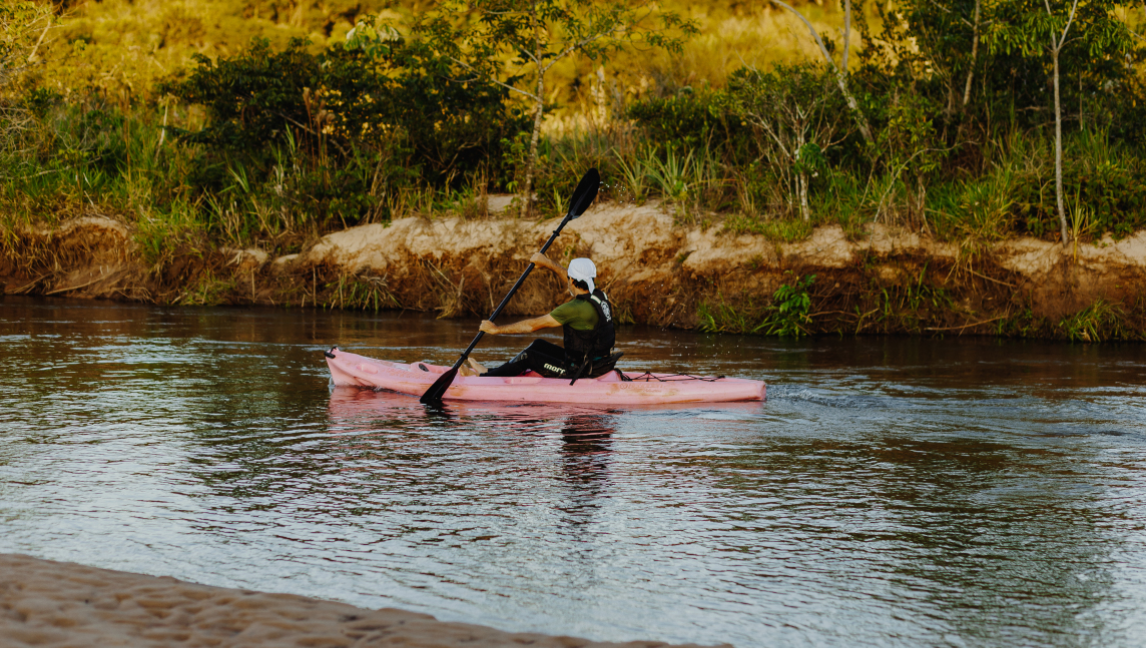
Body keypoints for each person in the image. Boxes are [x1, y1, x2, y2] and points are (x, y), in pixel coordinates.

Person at [460, 252, 619, 380]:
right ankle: (492, 371)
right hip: (597, 362)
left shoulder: (573, 309)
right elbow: (572, 278)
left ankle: (482, 377)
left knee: (530, 356)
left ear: (572, 280)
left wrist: (496, 329)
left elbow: (532, 325)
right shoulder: (598, 296)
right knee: (538, 345)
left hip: (584, 371)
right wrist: (547, 263)